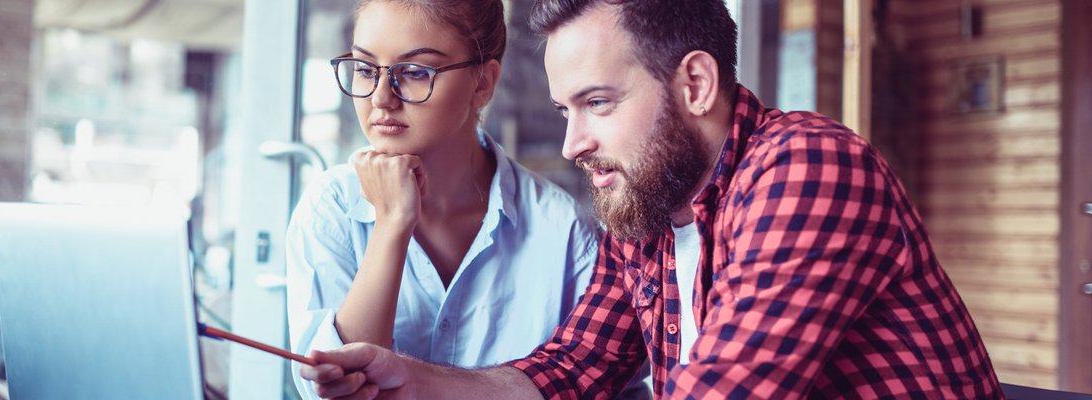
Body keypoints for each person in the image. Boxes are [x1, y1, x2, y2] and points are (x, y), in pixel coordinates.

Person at [297, 0, 1005, 399]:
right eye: (564, 110)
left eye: (597, 103)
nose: (573, 143)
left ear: (695, 85)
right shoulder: (648, 210)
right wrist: (409, 379)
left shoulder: (806, 166)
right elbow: (568, 371)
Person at [284, 0, 650, 398]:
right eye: (366, 69)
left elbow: (605, 382)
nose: (381, 99)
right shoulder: (330, 209)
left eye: (414, 72)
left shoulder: (563, 231)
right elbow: (341, 392)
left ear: (483, 83)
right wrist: (392, 224)